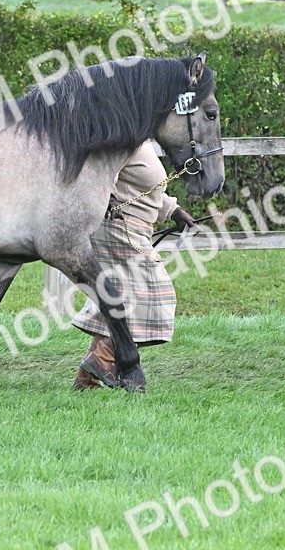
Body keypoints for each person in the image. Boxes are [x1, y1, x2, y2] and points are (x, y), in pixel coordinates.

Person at [72, 142, 199, 390]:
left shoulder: (141, 140)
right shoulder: (124, 136)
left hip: (132, 225)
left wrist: (175, 211)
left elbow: (145, 189)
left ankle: (87, 377)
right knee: (154, 293)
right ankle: (102, 359)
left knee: (118, 299)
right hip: (120, 225)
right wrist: (106, 198)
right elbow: (100, 173)